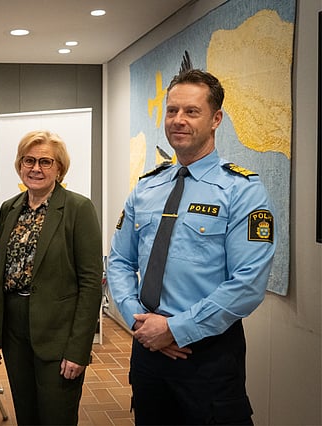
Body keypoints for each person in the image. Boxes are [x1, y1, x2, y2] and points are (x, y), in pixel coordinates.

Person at [108, 69, 276, 425]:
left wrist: (176, 329)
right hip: (148, 351)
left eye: (191, 111)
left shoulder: (241, 190)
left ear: (216, 119)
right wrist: (140, 322)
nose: (178, 120)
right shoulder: (146, 188)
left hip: (207, 354)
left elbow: (248, 282)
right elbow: (119, 261)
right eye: (172, 110)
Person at [0, 130, 103, 425]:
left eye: (45, 162)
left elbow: (91, 284)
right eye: (29, 160)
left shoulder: (78, 208)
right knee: (26, 414)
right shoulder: (9, 208)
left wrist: (79, 349)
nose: (36, 168)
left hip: (59, 333)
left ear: (59, 168)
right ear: (20, 165)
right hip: (14, 331)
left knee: (56, 416)